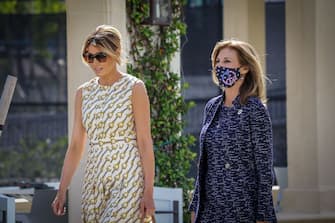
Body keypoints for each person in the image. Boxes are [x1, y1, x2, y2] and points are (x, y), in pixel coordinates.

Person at [51, 25, 155, 222]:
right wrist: (62, 190)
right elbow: (75, 146)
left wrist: (148, 190)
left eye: (101, 56)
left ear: (115, 53)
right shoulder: (83, 93)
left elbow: (144, 141)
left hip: (128, 177)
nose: (94, 62)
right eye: (89, 57)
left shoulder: (135, 87)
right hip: (94, 178)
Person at [189, 39, 277, 223]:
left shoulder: (255, 109)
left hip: (241, 207)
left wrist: (263, 215)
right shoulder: (212, 107)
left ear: (244, 68)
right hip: (209, 209)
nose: (220, 66)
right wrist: (195, 205)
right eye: (217, 62)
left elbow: (264, 167)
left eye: (227, 61)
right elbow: (205, 163)